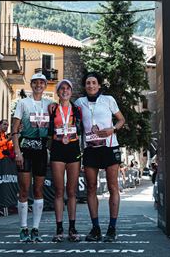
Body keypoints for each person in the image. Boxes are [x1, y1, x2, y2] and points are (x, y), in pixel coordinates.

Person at [75, 72, 126, 242]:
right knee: (91, 187)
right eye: (88, 83)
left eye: (94, 82)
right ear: (85, 86)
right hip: (90, 148)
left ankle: (112, 228)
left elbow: (121, 120)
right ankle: (95, 228)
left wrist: (113, 129)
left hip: (110, 146)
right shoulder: (79, 103)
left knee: (113, 187)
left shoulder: (108, 100)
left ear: (99, 85)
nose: (91, 85)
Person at [11, 73, 53, 242]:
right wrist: (17, 152)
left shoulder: (50, 104)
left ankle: (35, 228)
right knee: (24, 190)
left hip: (41, 152)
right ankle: (23, 228)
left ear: (45, 85)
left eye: (41, 83)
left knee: (38, 190)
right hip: (25, 150)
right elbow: (14, 130)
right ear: (31, 84)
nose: (38, 85)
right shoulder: (23, 103)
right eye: (35, 83)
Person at [48, 79, 83, 242]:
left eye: (68, 88)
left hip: (73, 148)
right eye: (62, 88)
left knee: (72, 191)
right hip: (58, 148)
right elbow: (48, 129)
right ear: (58, 92)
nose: (65, 91)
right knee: (59, 190)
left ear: (71, 91)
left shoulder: (77, 109)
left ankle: (72, 228)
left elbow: (82, 129)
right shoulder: (52, 108)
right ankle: (59, 228)